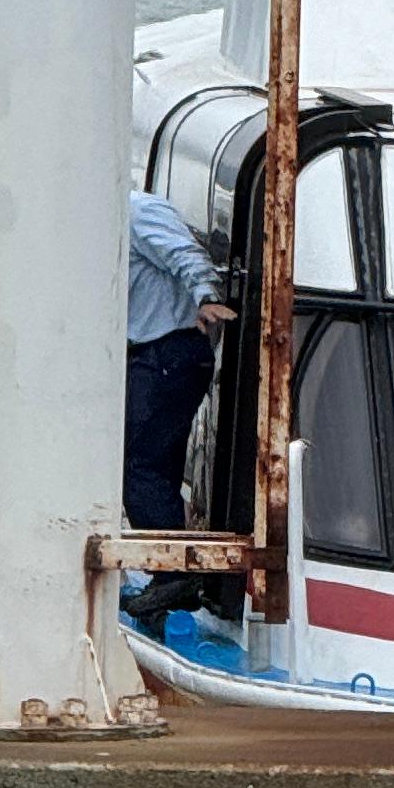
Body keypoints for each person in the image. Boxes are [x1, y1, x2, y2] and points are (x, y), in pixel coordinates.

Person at [124, 189, 234, 587]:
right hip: (157, 353)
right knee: (154, 465)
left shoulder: (138, 211)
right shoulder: (117, 216)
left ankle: (172, 576)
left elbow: (184, 253)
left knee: (139, 464)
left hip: (167, 351)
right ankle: (170, 573)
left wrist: (206, 295)